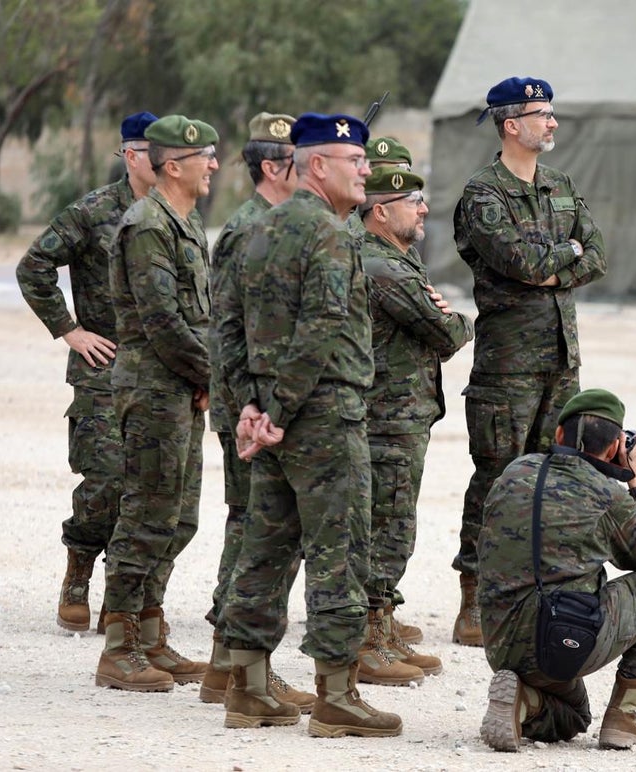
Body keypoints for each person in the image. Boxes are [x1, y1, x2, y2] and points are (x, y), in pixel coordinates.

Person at [218, 113, 403, 739]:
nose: (367, 172)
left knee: (265, 549)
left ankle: (245, 688)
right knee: (340, 553)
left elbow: (230, 326)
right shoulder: (330, 233)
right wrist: (279, 410)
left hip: (276, 416)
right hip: (321, 415)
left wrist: (252, 405)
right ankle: (337, 696)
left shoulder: (258, 227)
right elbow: (322, 324)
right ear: (317, 166)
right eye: (356, 161)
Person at [451, 76, 608, 646]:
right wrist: (563, 254)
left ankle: (534, 592)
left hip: (561, 362)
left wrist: (555, 261)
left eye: (552, 113)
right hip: (508, 365)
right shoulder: (483, 193)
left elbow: (599, 254)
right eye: (543, 114)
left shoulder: (560, 184)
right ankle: (473, 597)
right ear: (511, 124)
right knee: (497, 479)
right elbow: (518, 262)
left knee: (555, 477)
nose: (553, 123)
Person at [475, 388, 636, 752]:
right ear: (614, 447)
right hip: (558, 644)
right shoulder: (608, 494)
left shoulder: (515, 471)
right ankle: (624, 718)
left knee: (574, 716)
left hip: (499, 640)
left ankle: (522, 699)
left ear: (559, 435)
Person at [17, 111, 158, 634]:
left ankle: (128, 600)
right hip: (104, 365)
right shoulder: (95, 210)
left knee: (153, 484)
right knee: (107, 476)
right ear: (130, 155)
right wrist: (69, 329)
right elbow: (34, 266)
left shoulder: (177, 213)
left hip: (160, 368)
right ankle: (79, 567)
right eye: (151, 150)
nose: (163, 160)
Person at [97, 114, 219, 692]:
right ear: (174, 165)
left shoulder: (184, 222)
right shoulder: (148, 224)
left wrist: (202, 375)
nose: (215, 165)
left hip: (181, 386)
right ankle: (118, 648)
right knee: (146, 514)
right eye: (206, 157)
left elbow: (198, 315)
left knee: (179, 516)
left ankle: (150, 633)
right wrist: (212, 372)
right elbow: (162, 321)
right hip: (153, 387)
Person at [200, 111, 313, 712]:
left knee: (256, 528)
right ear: (274, 168)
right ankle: (232, 663)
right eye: (300, 160)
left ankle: (229, 664)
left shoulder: (276, 222)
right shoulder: (251, 229)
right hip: (250, 405)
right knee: (254, 530)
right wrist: (248, 402)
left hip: (259, 401)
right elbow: (230, 326)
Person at [356, 167, 473, 686]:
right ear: (380, 211)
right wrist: (459, 321)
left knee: (391, 524)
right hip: (386, 417)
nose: (423, 208)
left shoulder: (398, 259)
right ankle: (366, 639)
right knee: (387, 527)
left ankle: (379, 626)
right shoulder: (383, 266)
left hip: (399, 415)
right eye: (412, 200)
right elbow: (444, 331)